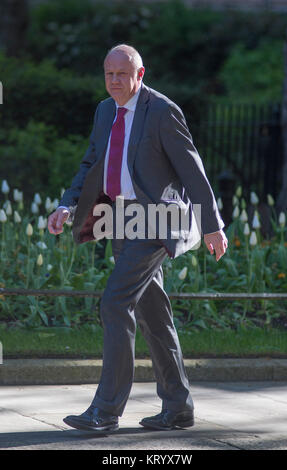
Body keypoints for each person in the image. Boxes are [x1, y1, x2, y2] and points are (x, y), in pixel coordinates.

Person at [47, 44, 228, 432]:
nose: (114, 81)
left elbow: (191, 170)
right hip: (120, 220)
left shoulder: (162, 111)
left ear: (140, 75)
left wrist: (212, 224)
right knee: (153, 315)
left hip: (156, 221)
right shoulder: (104, 110)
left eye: (122, 74)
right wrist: (68, 204)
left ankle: (106, 410)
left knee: (114, 303)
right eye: (108, 73)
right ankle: (178, 407)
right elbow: (91, 162)